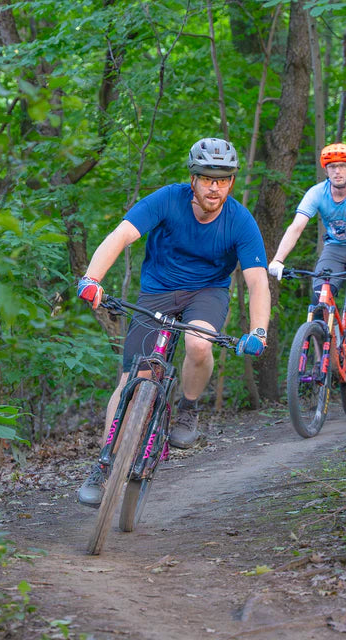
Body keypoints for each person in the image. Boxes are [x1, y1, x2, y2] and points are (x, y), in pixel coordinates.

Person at [76, 137, 271, 507]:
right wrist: (92, 278)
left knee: (199, 344)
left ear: (231, 182)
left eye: (224, 179)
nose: (215, 187)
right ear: (193, 178)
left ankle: (188, 408)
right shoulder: (167, 199)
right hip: (159, 290)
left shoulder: (240, 221)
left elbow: (257, 280)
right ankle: (103, 467)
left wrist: (258, 330)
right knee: (134, 377)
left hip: (207, 293)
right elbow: (122, 235)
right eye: (207, 178)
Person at [267, 143, 346, 381]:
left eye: (342, 166)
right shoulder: (317, 193)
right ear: (326, 170)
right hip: (334, 249)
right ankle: (321, 360)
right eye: (332, 167)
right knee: (318, 303)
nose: (337, 172)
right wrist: (278, 260)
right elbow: (296, 227)